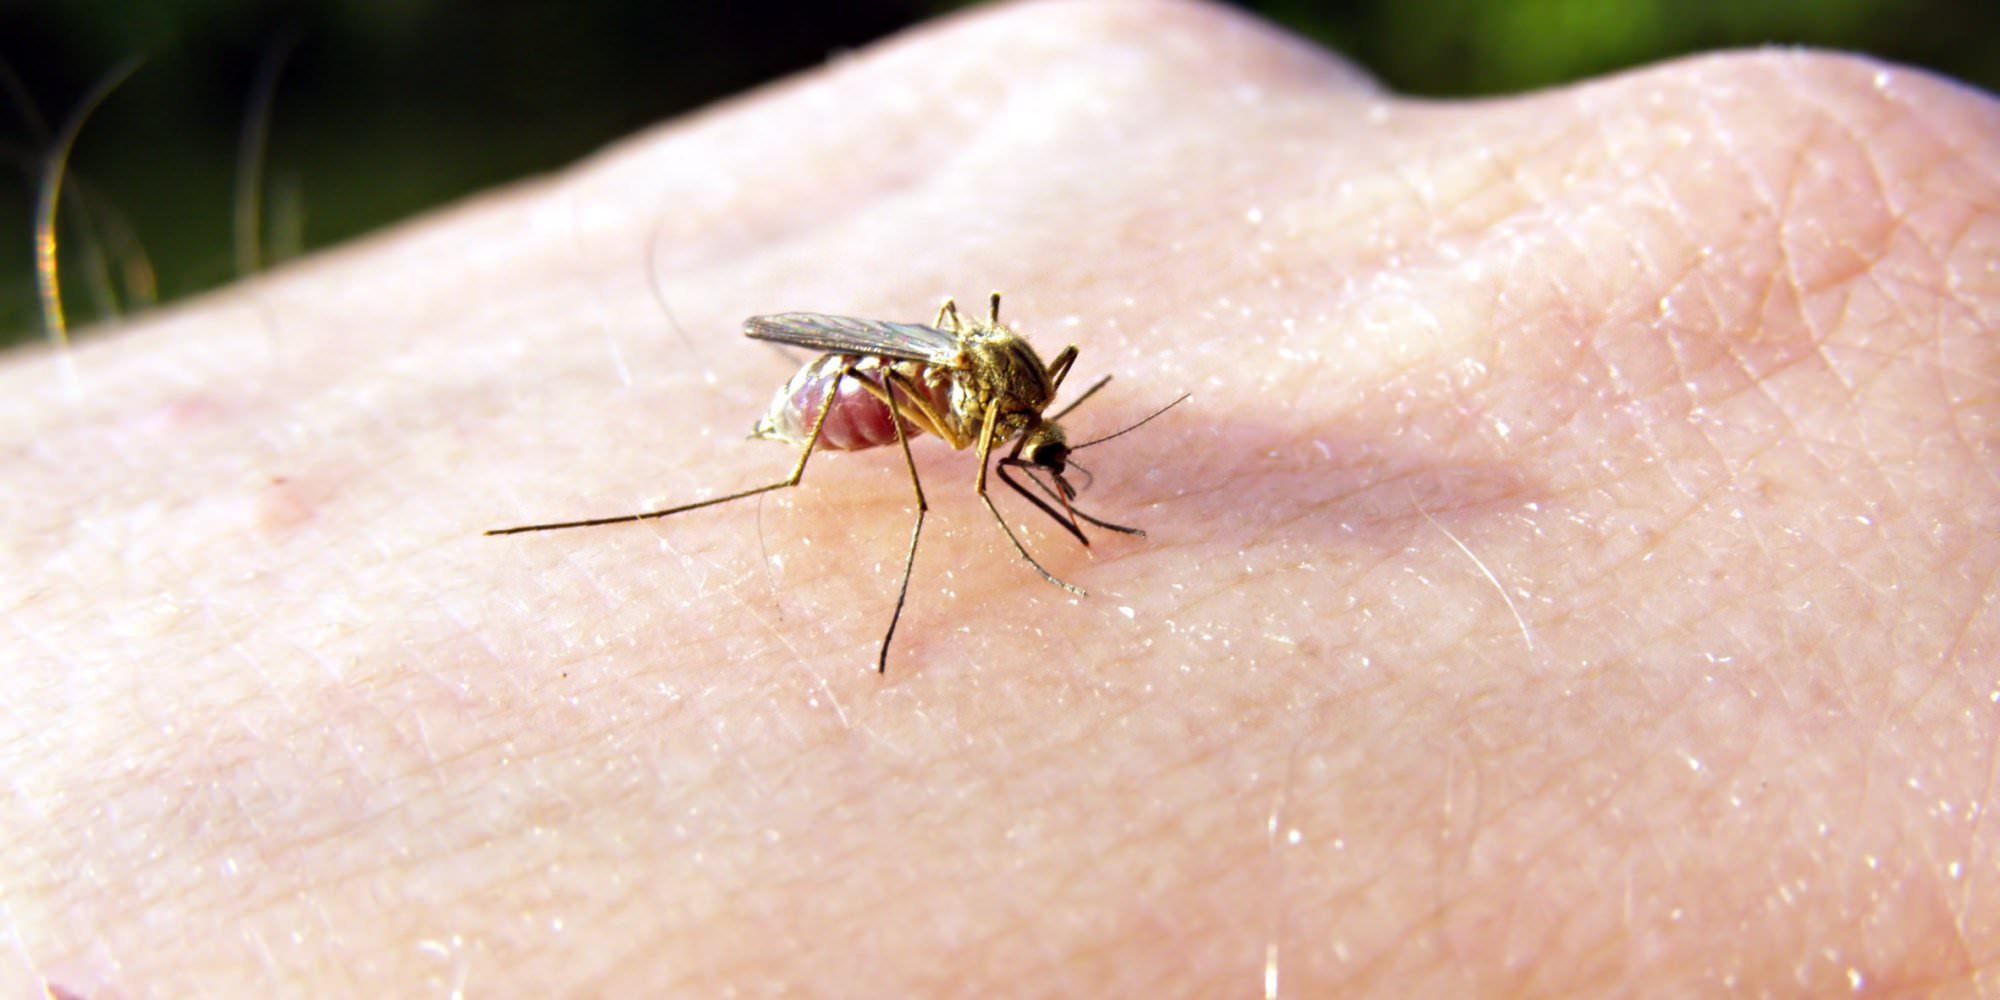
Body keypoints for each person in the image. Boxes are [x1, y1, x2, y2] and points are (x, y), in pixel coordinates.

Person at [7, 2, 1995, 994]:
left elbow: (1010, 389)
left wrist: (1031, 445)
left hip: (921, 371)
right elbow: (934, 384)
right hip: (845, 388)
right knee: (907, 459)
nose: (1047, 459)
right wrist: (938, 450)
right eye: (1042, 450)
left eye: (1039, 452)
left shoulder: (1018, 398)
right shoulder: (949, 405)